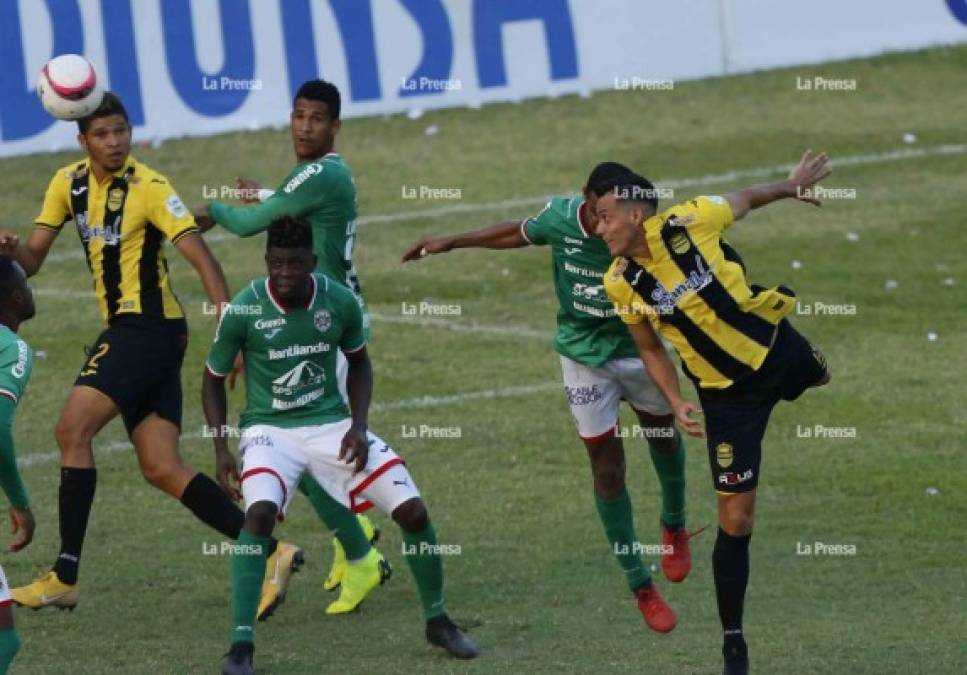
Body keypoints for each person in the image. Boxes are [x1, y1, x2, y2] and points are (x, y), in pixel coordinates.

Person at [0, 93, 298, 618]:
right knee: (161, 466)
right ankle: (272, 550)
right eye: (103, 135)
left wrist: (233, 337)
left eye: (122, 131)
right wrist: (8, 249)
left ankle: (63, 576)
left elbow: (203, 261)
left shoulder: (151, 187)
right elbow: (33, 261)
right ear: (83, 140)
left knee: (71, 432)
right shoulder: (66, 184)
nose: (115, 143)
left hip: (149, 329)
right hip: (139, 333)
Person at [401, 162, 704, 633]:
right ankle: (640, 583)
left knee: (664, 438)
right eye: (598, 209)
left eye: (613, 212)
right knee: (607, 469)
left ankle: (674, 524)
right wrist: (452, 241)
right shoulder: (562, 220)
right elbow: (516, 233)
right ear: (587, 199)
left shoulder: (637, 225)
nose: (604, 221)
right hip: (584, 357)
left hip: (637, 350)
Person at [203, 216, 478, 674]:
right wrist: (220, 448)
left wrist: (360, 425)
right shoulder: (246, 308)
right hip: (269, 432)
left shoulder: (339, 301)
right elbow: (212, 381)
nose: (286, 274)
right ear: (266, 261)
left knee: (414, 511)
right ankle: (241, 646)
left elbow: (360, 363)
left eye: (295, 264)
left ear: (311, 261)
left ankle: (438, 620)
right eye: (277, 264)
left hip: (332, 426)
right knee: (258, 515)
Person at [596, 152, 832, 675]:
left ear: (636, 213)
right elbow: (651, 347)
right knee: (736, 519)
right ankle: (733, 643)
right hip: (727, 401)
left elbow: (746, 198)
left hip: (775, 349)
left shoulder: (691, 220)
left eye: (607, 216)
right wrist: (676, 398)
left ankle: (807, 368)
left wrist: (791, 185)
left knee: (821, 374)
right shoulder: (620, 282)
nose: (600, 226)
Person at [194, 79, 385, 611]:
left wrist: (214, 209)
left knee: (301, 445)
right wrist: (263, 195)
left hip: (324, 324)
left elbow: (257, 224)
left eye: (316, 118)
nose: (304, 127)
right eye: (298, 116)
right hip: (308, 320)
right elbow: (281, 209)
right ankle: (356, 546)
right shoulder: (319, 174)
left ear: (335, 126)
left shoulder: (320, 172)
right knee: (300, 446)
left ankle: (360, 547)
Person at [0, 257, 38, 673]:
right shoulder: (13, 347)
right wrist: (21, 502)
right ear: (15, 298)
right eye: (27, 285)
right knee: (3, 639)